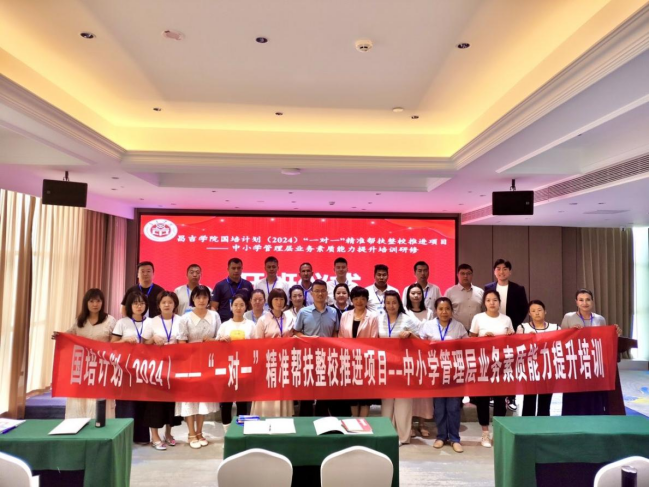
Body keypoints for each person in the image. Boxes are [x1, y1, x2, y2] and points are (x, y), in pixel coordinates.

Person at [52, 288, 117, 420]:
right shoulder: (80, 321)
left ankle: (100, 424)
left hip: (102, 367)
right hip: (82, 367)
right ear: (86, 303)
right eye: (91, 301)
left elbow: (115, 343)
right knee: (80, 398)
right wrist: (60, 335)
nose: (95, 304)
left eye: (98, 301)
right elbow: (70, 335)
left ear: (102, 302)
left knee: (99, 397)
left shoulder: (110, 320)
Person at [294, 279, 350, 417]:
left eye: (323, 291)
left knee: (324, 392)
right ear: (311, 293)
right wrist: (308, 339)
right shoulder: (303, 312)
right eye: (317, 291)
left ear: (327, 293)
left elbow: (335, 332)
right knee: (306, 392)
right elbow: (296, 332)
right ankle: (305, 422)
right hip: (307, 357)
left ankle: (322, 420)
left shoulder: (333, 312)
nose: (320, 294)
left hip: (327, 358)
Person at [419, 297, 468, 453]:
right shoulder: (428, 326)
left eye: (447, 309)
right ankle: (441, 437)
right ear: (436, 311)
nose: (444, 312)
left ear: (451, 311)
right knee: (439, 407)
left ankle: (454, 438)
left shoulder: (458, 327)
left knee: (453, 407)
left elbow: (468, 347)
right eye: (440, 309)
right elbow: (419, 346)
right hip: (435, 373)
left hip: (454, 373)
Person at [560, 289, 620, 416]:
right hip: (576, 362)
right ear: (576, 302)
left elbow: (604, 339)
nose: (584, 303)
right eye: (581, 300)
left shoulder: (600, 319)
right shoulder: (569, 317)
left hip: (595, 362)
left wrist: (614, 332)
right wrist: (572, 332)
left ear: (592, 301)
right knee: (575, 393)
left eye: (587, 299)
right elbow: (562, 338)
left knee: (594, 393)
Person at [176, 285, 221, 448]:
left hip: (208, 362)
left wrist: (212, 342)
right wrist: (193, 351)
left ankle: (200, 431)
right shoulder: (185, 318)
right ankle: (191, 433)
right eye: (198, 297)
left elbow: (219, 337)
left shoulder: (214, 316)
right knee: (190, 397)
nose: (201, 300)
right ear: (193, 299)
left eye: (204, 297)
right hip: (189, 362)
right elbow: (181, 341)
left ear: (209, 299)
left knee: (203, 397)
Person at [469, 290, 515, 448]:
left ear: (499, 302)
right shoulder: (478, 318)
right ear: (484, 303)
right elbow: (471, 340)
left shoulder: (506, 319)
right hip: (483, 365)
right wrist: (483, 339)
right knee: (482, 399)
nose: (492, 303)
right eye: (488, 300)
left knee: (500, 400)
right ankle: (485, 433)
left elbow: (512, 341)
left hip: (500, 366)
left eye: (495, 300)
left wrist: (510, 336)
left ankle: (498, 432)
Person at [141, 290, 183, 451]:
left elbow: (184, 342)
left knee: (171, 402)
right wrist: (153, 339)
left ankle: (168, 433)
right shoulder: (151, 322)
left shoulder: (180, 320)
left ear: (175, 305)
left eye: (170, 302)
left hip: (174, 367)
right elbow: (143, 344)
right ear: (158, 305)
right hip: (156, 369)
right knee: (155, 402)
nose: (167, 305)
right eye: (164, 302)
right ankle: (155, 436)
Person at [484, 259, 527, 412]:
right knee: (493, 364)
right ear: (494, 271)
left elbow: (523, 309)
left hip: (510, 332)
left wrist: (512, 326)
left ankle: (511, 397)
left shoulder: (518, 289)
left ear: (510, 271)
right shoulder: (488, 287)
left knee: (510, 365)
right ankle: (492, 395)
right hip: (491, 332)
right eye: (498, 269)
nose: (501, 272)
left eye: (505, 269)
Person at [379, 290, 419, 446]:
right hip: (385, 366)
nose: (391, 306)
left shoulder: (408, 319)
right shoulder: (380, 319)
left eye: (394, 302)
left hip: (404, 366)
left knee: (403, 402)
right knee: (387, 402)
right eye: (388, 303)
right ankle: (386, 434)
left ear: (399, 304)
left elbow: (421, 342)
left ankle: (402, 437)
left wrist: (410, 334)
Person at [111, 291, 150, 443]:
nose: (139, 306)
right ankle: (124, 438)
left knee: (143, 402)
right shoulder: (122, 322)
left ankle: (141, 436)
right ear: (129, 305)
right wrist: (125, 341)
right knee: (125, 403)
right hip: (125, 369)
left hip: (145, 369)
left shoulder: (151, 322)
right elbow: (112, 345)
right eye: (135, 303)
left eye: (142, 303)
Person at [251, 289, 296, 417]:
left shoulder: (290, 318)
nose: (279, 302)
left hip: (285, 362)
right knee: (267, 393)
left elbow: (293, 336)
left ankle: (283, 418)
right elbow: (257, 343)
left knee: (283, 392)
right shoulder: (263, 320)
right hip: (267, 362)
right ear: (270, 301)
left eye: (282, 299)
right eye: (276, 299)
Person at [217, 294, 256, 431]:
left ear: (246, 307)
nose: (238, 308)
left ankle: (240, 431)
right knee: (226, 401)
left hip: (245, 366)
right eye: (235, 305)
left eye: (241, 305)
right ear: (231, 306)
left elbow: (257, 345)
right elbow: (216, 346)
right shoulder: (224, 325)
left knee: (242, 401)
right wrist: (221, 340)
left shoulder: (251, 325)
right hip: (227, 367)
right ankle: (227, 432)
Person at [339, 286, 379, 417]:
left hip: (366, 360)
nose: (359, 301)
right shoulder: (345, 315)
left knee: (365, 396)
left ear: (367, 300)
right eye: (356, 298)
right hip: (349, 360)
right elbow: (341, 337)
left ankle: (363, 422)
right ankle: (354, 422)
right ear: (351, 300)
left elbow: (374, 339)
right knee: (352, 394)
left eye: (362, 298)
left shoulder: (373, 316)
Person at [517, 300, 560, 417]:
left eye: (539, 310)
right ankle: (527, 426)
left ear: (545, 312)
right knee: (529, 401)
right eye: (533, 311)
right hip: (530, 369)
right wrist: (526, 339)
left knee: (545, 402)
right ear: (529, 313)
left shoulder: (555, 328)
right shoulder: (522, 328)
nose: (537, 313)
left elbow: (561, 345)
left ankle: (543, 426)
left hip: (548, 369)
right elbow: (517, 348)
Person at [404, 283, 434, 437]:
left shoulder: (429, 312)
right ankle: (409, 424)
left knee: (424, 392)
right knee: (411, 391)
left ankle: (422, 424)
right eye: (413, 293)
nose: (416, 296)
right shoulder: (405, 312)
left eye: (418, 293)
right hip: (409, 355)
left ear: (423, 296)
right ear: (408, 295)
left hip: (426, 355)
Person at [211, 258, 254, 323]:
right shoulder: (220, 285)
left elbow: (251, 307)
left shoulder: (248, 285)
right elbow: (213, 307)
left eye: (238, 268)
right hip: (224, 322)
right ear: (228, 269)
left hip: (243, 322)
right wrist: (216, 322)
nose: (236, 271)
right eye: (233, 268)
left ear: (242, 269)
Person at [445, 264, 483, 332]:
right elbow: (445, 312)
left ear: (472, 275)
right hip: (456, 331)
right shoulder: (450, 292)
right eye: (462, 273)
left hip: (477, 331)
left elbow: (485, 312)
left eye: (468, 273)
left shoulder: (480, 292)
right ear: (457, 275)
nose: (465, 276)